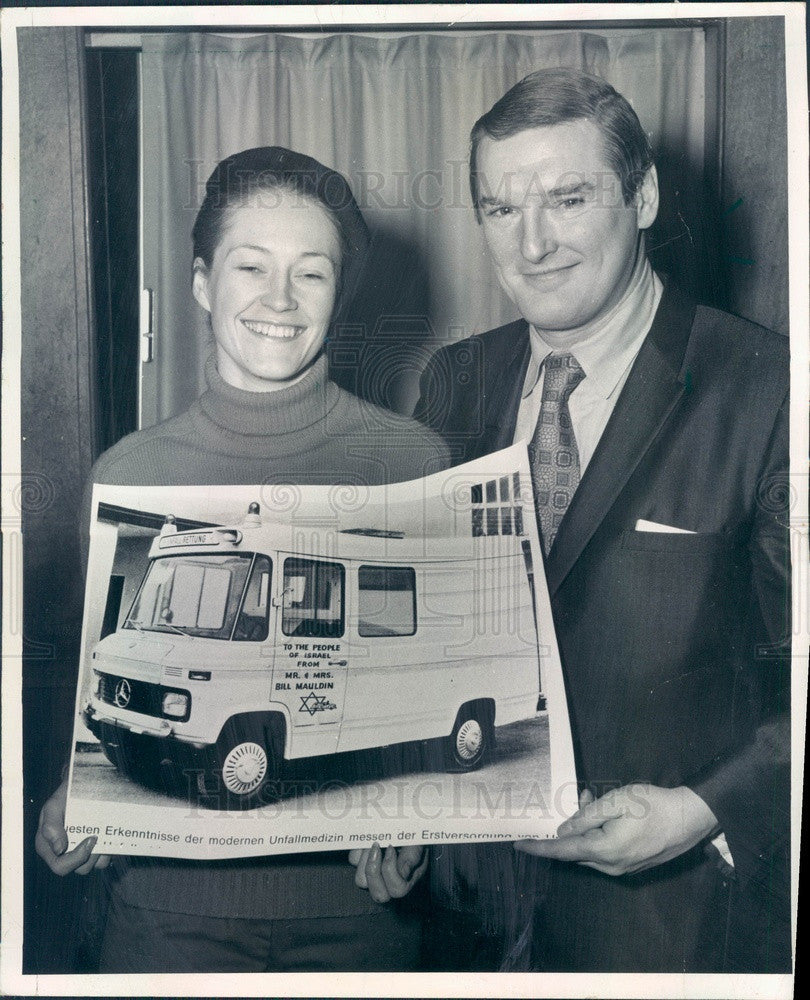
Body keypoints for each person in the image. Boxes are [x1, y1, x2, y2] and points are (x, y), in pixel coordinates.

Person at [35, 145, 447, 972]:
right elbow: (87, 702)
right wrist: (63, 804)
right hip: (162, 914)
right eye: (250, 266)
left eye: (312, 273)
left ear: (340, 295)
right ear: (200, 283)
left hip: (361, 918)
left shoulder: (416, 462)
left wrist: (420, 834)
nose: (279, 300)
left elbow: (422, 707)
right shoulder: (128, 473)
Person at [414, 68, 791, 973]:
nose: (533, 242)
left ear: (646, 194)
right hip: (463, 926)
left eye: (567, 198)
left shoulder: (771, 391)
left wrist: (703, 811)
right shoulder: (452, 383)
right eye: (501, 209)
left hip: (674, 931)